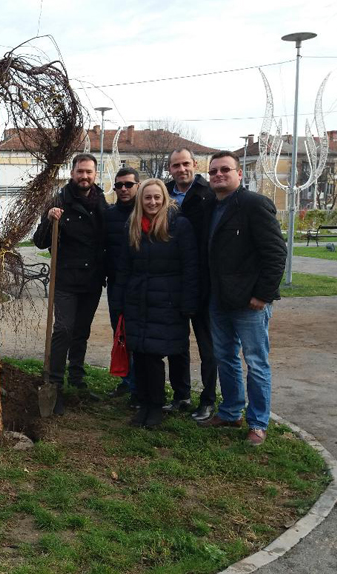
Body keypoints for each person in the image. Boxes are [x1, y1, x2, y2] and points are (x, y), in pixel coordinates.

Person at [199, 151, 286, 446]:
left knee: (256, 362)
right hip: (219, 299)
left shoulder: (254, 204)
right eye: (213, 171)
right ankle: (231, 412)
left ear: (239, 174)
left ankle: (258, 423)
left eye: (225, 169)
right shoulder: (212, 206)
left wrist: (263, 294)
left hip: (250, 302)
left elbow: (276, 253)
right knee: (225, 357)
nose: (218, 175)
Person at [110, 179, 198, 429]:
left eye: (157, 197)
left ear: (164, 199)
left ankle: (156, 406)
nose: (152, 202)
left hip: (167, 300)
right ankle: (144, 403)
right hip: (138, 300)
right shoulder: (133, 225)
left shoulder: (179, 225)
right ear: (141, 200)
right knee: (140, 354)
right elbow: (124, 267)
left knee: (154, 356)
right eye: (147, 197)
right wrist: (118, 302)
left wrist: (188, 302)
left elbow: (190, 267)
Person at [33, 153, 108, 415]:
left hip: (92, 280)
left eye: (89, 172)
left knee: (81, 331)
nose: (84, 176)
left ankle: (77, 377)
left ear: (95, 174)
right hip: (65, 278)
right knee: (63, 329)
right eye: (80, 171)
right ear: (72, 173)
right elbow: (40, 242)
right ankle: (55, 384)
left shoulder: (101, 202)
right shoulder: (59, 200)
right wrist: (49, 219)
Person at [165, 148, 218, 421]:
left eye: (185, 163)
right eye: (176, 165)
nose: (181, 169)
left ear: (194, 164)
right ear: (170, 169)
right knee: (177, 342)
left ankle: (208, 400)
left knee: (207, 346)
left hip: (203, 280)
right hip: (173, 281)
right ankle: (181, 394)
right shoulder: (164, 193)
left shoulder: (208, 194)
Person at [103, 167, 140, 403]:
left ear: (138, 185)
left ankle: (140, 386)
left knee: (138, 335)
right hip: (116, 283)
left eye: (128, 184)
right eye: (119, 185)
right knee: (120, 333)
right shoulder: (109, 215)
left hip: (141, 284)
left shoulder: (147, 211)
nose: (123, 189)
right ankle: (127, 381)